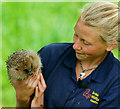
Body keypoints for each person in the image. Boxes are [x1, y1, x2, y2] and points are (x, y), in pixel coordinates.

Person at [13, 1, 120, 108]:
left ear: (110, 45)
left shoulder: (116, 81)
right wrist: (22, 98)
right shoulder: (49, 55)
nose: (75, 46)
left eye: (85, 42)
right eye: (76, 35)